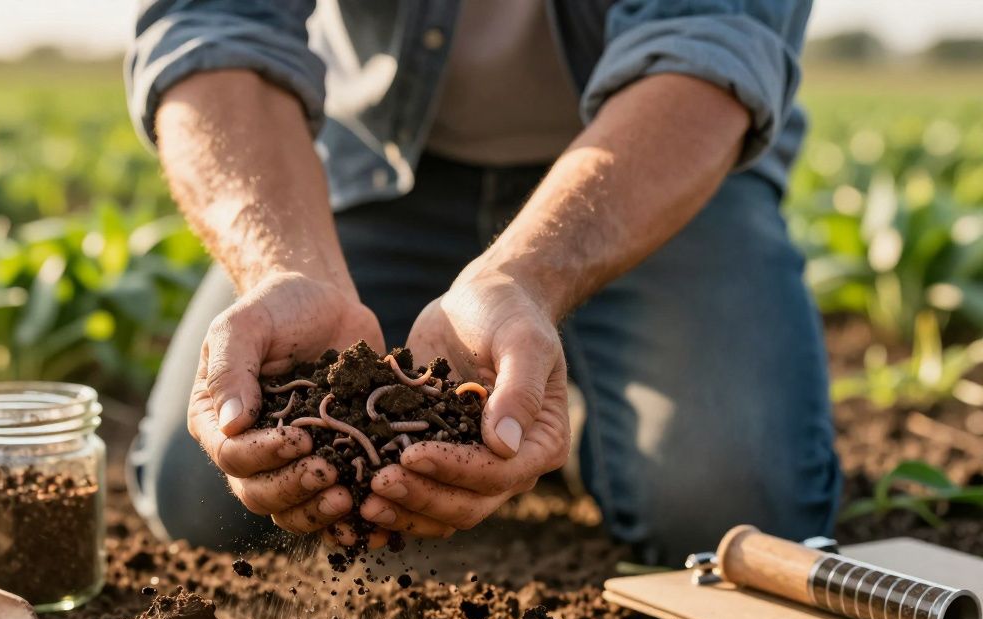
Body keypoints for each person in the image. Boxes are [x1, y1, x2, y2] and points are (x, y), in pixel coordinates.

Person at [124, 0, 842, 565]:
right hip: (385, 167)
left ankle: (578, 404)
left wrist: (524, 276)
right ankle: (560, 388)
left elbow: (708, 46)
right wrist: (286, 265)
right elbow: (214, 25)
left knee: (729, 506)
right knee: (207, 491)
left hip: (651, 173)